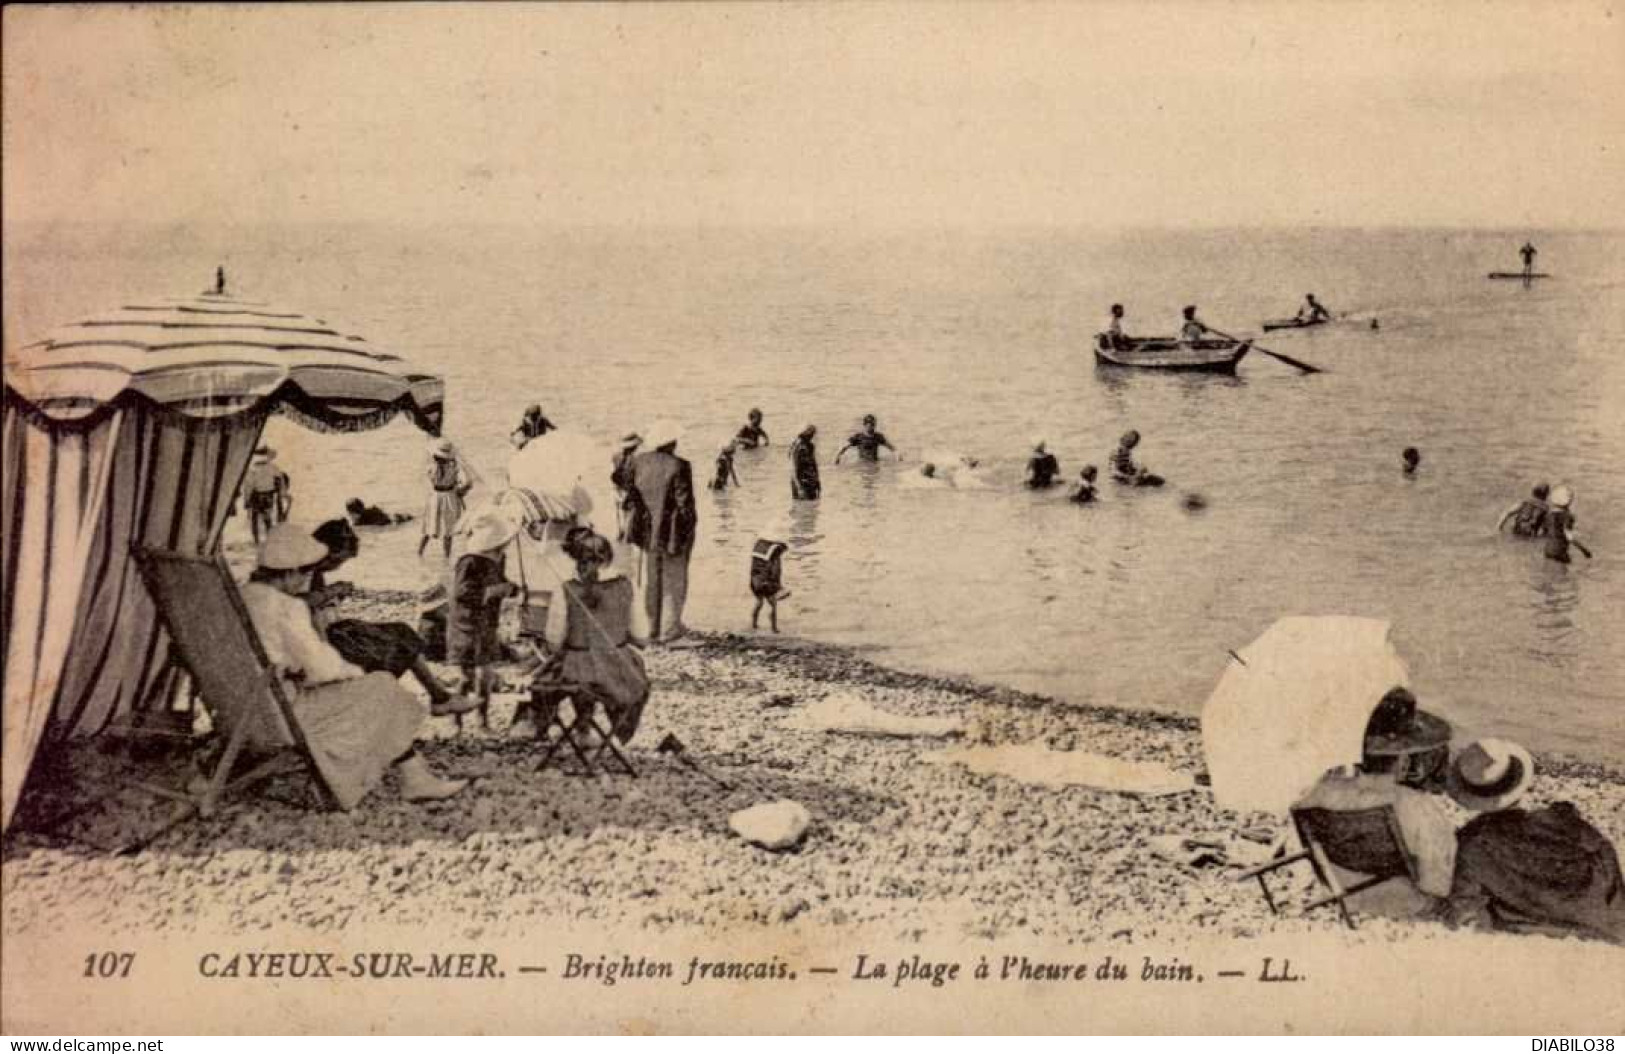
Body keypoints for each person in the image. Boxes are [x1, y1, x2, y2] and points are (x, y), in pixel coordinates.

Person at [241, 524, 468, 805]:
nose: (306, 579)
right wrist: (354, 673)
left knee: (373, 688)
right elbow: (323, 669)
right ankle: (414, 779)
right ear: (289, 572)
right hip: (285, 715)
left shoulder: (243, 597)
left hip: (245, 713)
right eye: (305, 572)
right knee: (382, 685)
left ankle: (415, 776)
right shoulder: (287, 607)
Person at [1294, 687, 1458, 917]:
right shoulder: (1414, 805)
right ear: (1403, 757)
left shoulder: (1314, 795)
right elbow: (1437, 885)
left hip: (1339, 894)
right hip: (1404, 904)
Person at [1445, 738, 1624, 943]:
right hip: (1594, 926)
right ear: (1518, 780)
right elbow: (1606, 859)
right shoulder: (1564, 823)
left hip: (1527, 928)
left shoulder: (1471, 842)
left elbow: (1464, 908)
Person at [303, 519, 473, 718]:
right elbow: (303, 603)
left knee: (401, 632)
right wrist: (333, 591)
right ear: (326, 552)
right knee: (393, 642)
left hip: (327, 632)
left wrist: (332, 596)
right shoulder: (305, 571)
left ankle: (439, 696)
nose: (334, 567)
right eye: (336, 561)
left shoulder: (312, 571)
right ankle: (435, 697)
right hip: (319, 641)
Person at [530, 530, 650, 743]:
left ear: (575, 558)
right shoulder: (628, 585)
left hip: (577, 670)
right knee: (636, 675)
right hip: (617, 667)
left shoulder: (566, 588)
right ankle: (621, 731)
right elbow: (642, 637)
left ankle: (580, 726)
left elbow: (555, 640)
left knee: (555, 671)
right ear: (609, 556)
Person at [447, 507, 523, 728]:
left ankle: (482, 718)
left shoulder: (497, 560)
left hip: (487, 622)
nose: (505, 546)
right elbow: (461, 593)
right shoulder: (469, 562)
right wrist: (494, 591)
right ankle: (457, 719)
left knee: (485, 674)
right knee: (468, 675)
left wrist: (514, 589)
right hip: (466, 623)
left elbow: (502, 583)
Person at [625, 422, 698, 642]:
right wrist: (690, 530)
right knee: (674, 579)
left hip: (647, 530)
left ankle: (651, 627)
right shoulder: (680, 465)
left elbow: (629, 493)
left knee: (652, 579)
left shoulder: (637, 462)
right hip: (673, 531)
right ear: (671, 443)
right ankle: (670, 629)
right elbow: (685, 505)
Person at [420, 438, 472, 558]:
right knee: (448, 531)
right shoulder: (455, 467)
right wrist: (461, 491)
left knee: (428, 528)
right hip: (450, 497)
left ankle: (420, 553)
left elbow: (427, 482)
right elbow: (468, 482)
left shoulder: (431, 468)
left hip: (435, 497)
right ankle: (446, 556)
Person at [242, 446, 292, 544]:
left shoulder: (252, 469)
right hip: (268, 496)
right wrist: (283, 492)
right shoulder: (273, 467)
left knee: (255, 519)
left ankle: (257, 540)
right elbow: (281, 479)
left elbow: (248, 486)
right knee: (267, 517)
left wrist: (247, 500)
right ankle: (269, 538)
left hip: (256, 496)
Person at [750, 535, 790, 634]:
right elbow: (775, 575)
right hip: (766, 584)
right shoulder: (775, 560)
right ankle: (774, 628)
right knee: (773, 605)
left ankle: (754, 624)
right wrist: (778, 587)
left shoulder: (758, 560)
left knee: (759, 603)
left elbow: (755, 573)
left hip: (756, 583)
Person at [1543, 485, 1591, 563]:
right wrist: (1584, 550)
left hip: (1548, 550)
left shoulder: (1549, 514)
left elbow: (1546, 532)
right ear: (1569, 501)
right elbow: (1569, 536)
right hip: (1560, 551)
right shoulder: (1567, 516)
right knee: (1563, 572)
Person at [610, 432, 643, 542]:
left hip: (617, 489)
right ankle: (627, 540)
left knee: (621, 518)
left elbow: (613, 475)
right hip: (630, 490)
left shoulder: (616, 456)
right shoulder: (636, 459)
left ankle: (621, 537)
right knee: (630, 517)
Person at [790, 425, 821, 500]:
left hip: (810, 480)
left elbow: (814, 464)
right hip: (801, 480)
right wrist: (799, 487)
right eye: (810, 434)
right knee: (801, 505)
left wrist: (817, 480)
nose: (811, 436)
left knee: (811, 506)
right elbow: (794, 468)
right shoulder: (798, 446)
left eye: (812, 434)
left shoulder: (810, 446)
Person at [345, 497, 411, 527]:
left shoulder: (368, 518)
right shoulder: (368, 513)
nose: (349, 515)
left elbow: (389, 519)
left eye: (350, 513)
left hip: (399, 519)